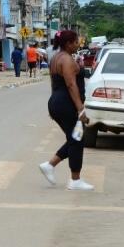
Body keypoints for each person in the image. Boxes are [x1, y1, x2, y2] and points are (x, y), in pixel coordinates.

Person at [40, 30, 94, 191]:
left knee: (74, 138)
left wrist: (53, 106)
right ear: (69, 43)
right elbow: (71, 85)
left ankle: (50, 165)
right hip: (67, 103)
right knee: (77, 139)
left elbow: (54, 84)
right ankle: (75, 180)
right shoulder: (67, 60)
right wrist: (81, 109)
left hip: (57, 101)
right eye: (76, 42)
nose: (78, 44)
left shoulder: (56, 58)